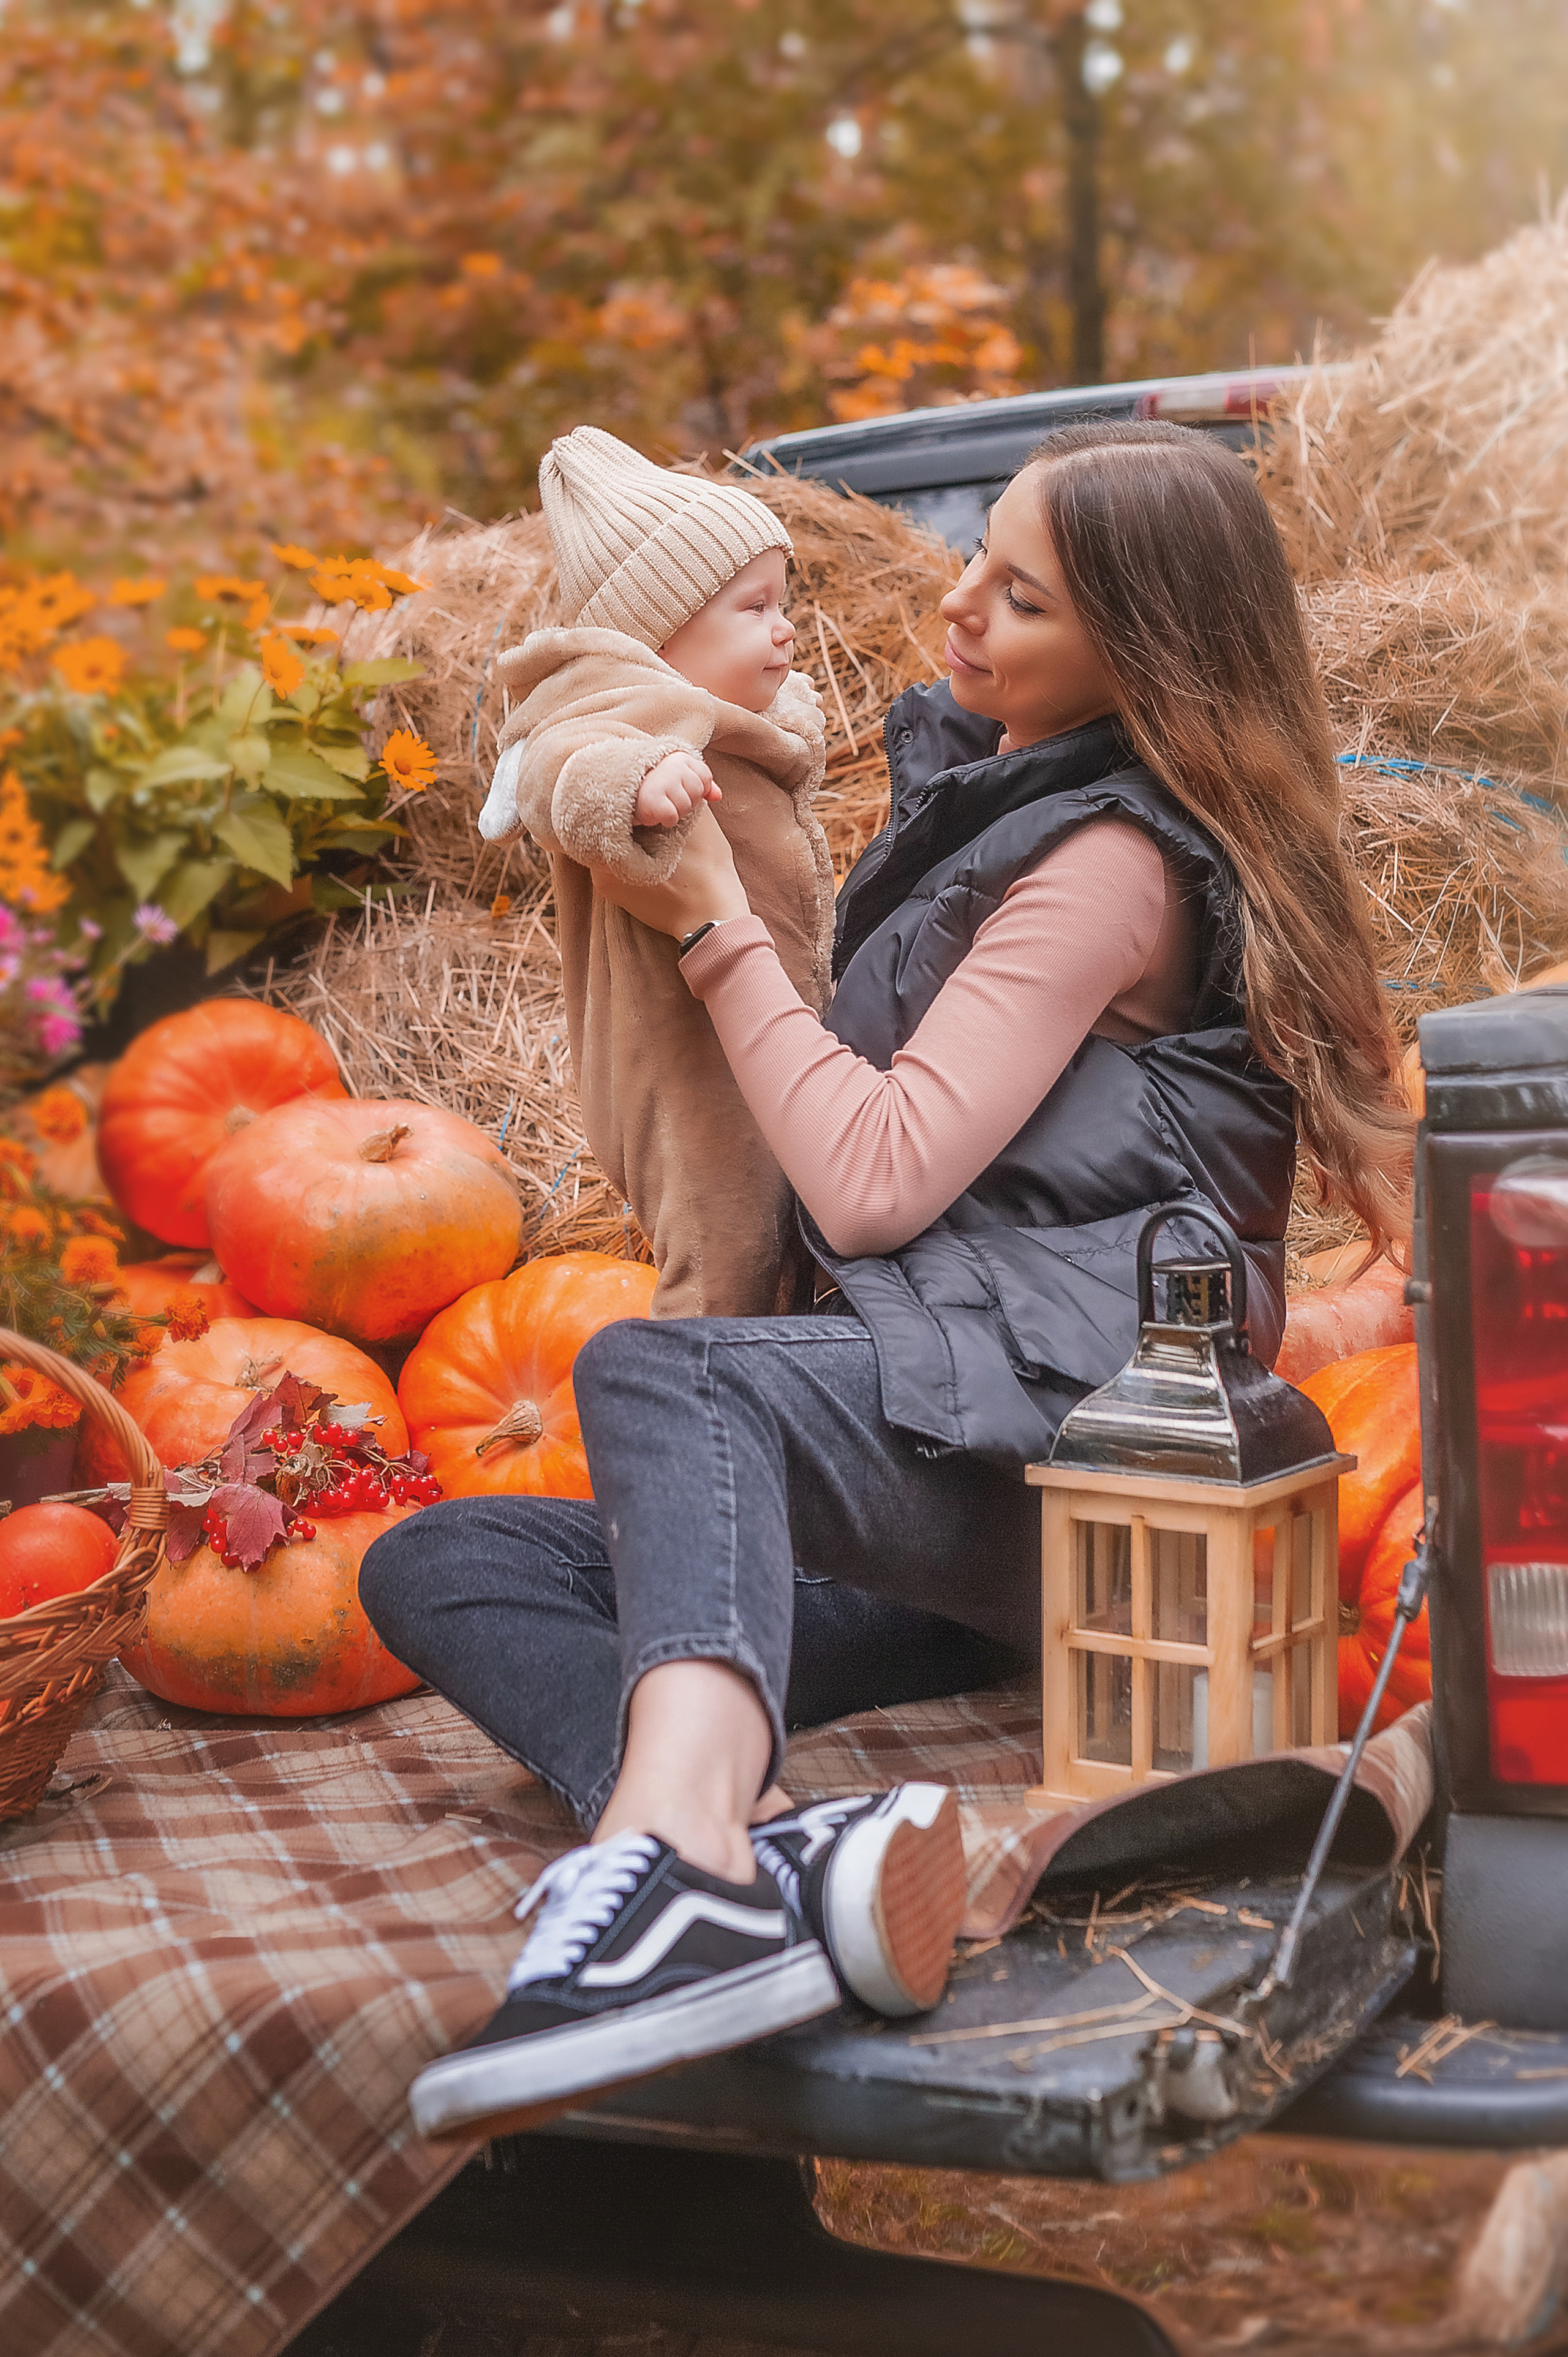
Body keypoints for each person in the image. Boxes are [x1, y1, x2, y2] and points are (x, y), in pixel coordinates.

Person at [362, 419, 1411, 2146]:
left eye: (1022, 597)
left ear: (1135, 655)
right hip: (950, 1447)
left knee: (665, 1377)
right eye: (977, 559)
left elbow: (868, 1176)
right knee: (445, 1557)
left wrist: (709, 925)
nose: (959, 608)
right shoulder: (1001, 807)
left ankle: (672, 1865)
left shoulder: (1109, 869)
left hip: (1085, 1470)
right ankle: (761, 1844)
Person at [477, 425, 836, 1318]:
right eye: (753, 608)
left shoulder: (727, 715)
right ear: (657, 633)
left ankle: (791, 1391)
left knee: (801, 1234)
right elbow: (559, 773)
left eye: (781, 603)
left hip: (762, 1024)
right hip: (683, 1062)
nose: (785, 627)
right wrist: (638, 781)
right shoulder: (610, 711)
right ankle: (697, 1406)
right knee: (726, 1248)